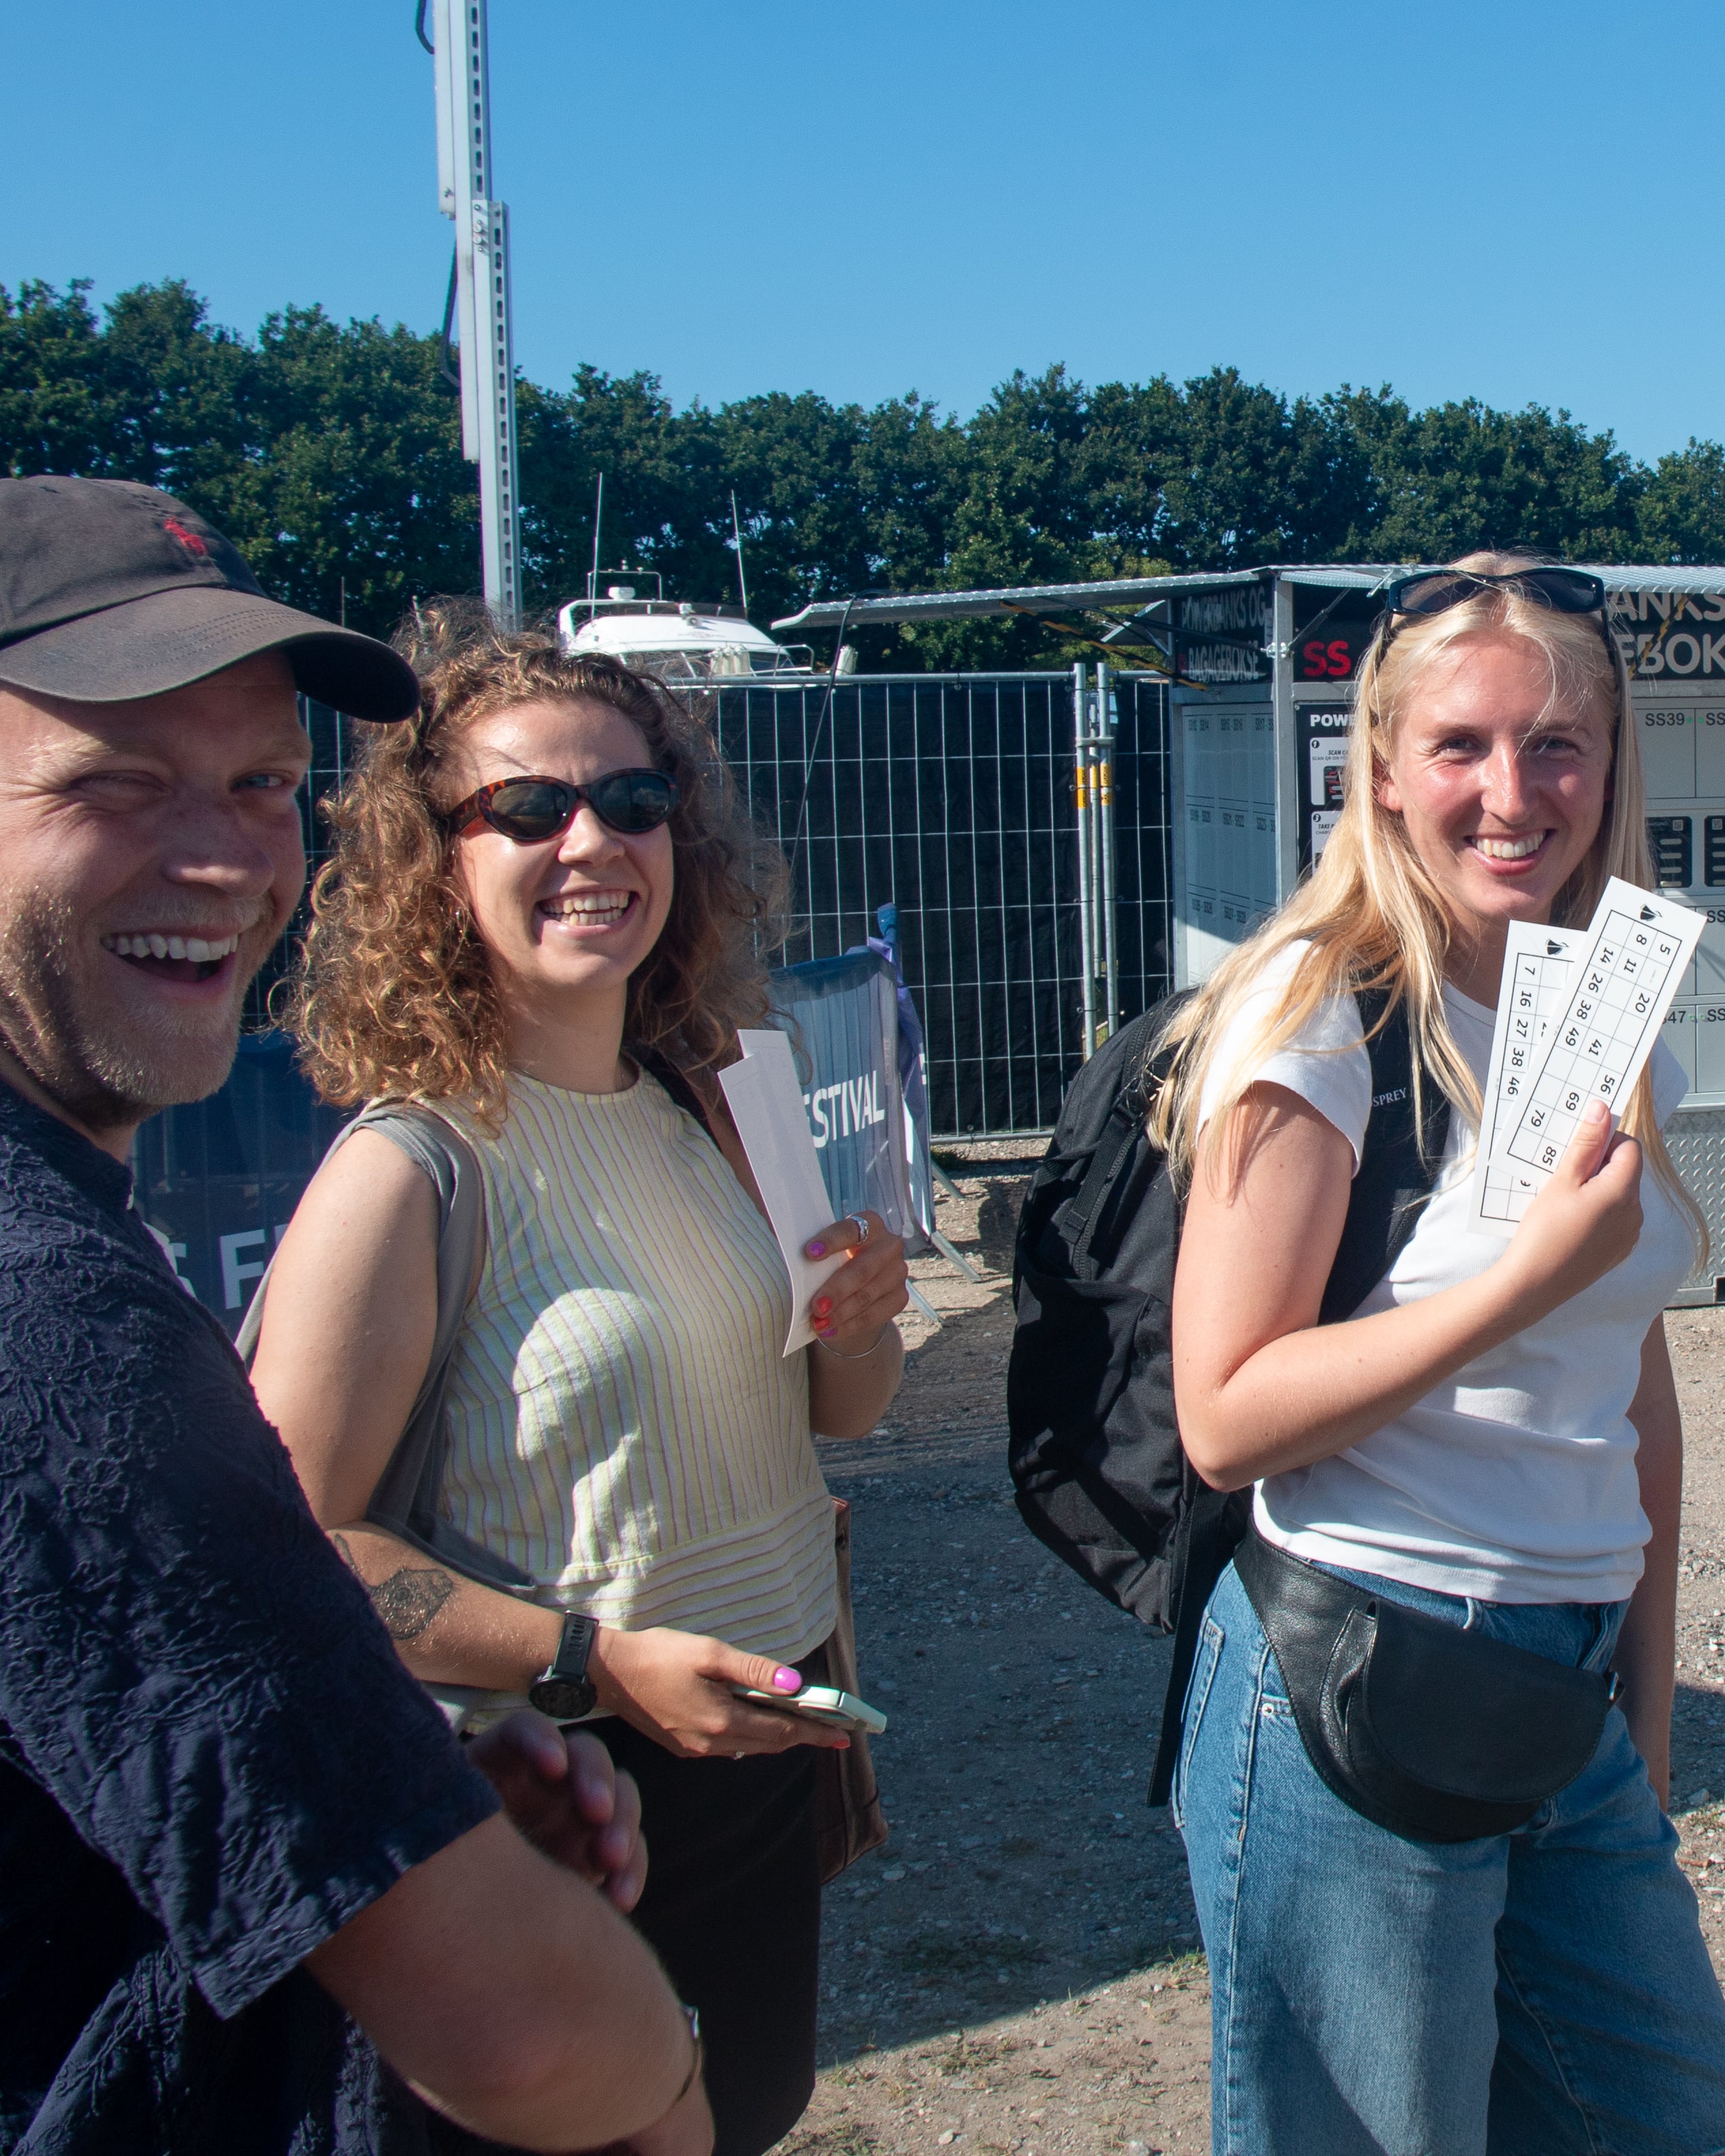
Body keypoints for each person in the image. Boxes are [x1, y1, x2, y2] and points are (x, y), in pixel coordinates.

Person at [0, 476, 713, 2156]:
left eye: (258, 782)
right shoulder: (56, 1328)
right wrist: (676, 2070)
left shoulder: (683, 1107)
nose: (223, 852)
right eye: (115, 782)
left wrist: (393, 1772)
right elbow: (527, 2033)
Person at [246, 608, 909, 2156]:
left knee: (743, 2109)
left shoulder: (715, 1093)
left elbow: (841, 1413)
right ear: (438, 859)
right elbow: (301, 1558)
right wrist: (596, 1670)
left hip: (758, 1762)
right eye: (528, 809)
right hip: (557, 1799)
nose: (589, 841)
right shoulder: (408, 1169)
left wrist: (863, 1318)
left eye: (629, 799)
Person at [1156, 553, 1725, 2154]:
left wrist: (1645, 1711)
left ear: (1608, 764)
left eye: (1556, 744)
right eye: (1462, 746)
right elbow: (1225, 1414)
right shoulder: (1320, 1007)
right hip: (1363, 1675)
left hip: (1568, 1704)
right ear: (1383, 772)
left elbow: (1627, 1389)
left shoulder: (1604, 1004)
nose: (1511, 791)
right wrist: (1522, 1277)